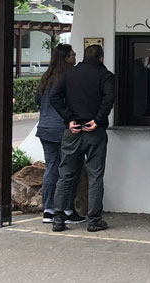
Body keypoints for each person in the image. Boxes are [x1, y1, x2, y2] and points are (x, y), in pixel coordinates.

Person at [50, 43, 114, 232]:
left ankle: (58, 219)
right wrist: (98, 120)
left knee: (66, 176)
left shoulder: (69, 74)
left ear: (84, 56)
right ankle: (94, 221)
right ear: (101, 58)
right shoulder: (105, 75)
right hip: (95, 132)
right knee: (95, 176)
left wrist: (69, 119)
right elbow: (109, 99)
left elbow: (54, 96)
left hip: (73, 131)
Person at [35, 43, 84, 225]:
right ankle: (66, 210)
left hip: (45, 128)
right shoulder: (70, 76)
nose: (75, 58)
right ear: (66, 58)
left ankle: (48, 210)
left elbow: (38, 100)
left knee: (51, 169)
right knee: (69, 170)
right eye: (72, 55)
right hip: (63, 128)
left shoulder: (46, 77)